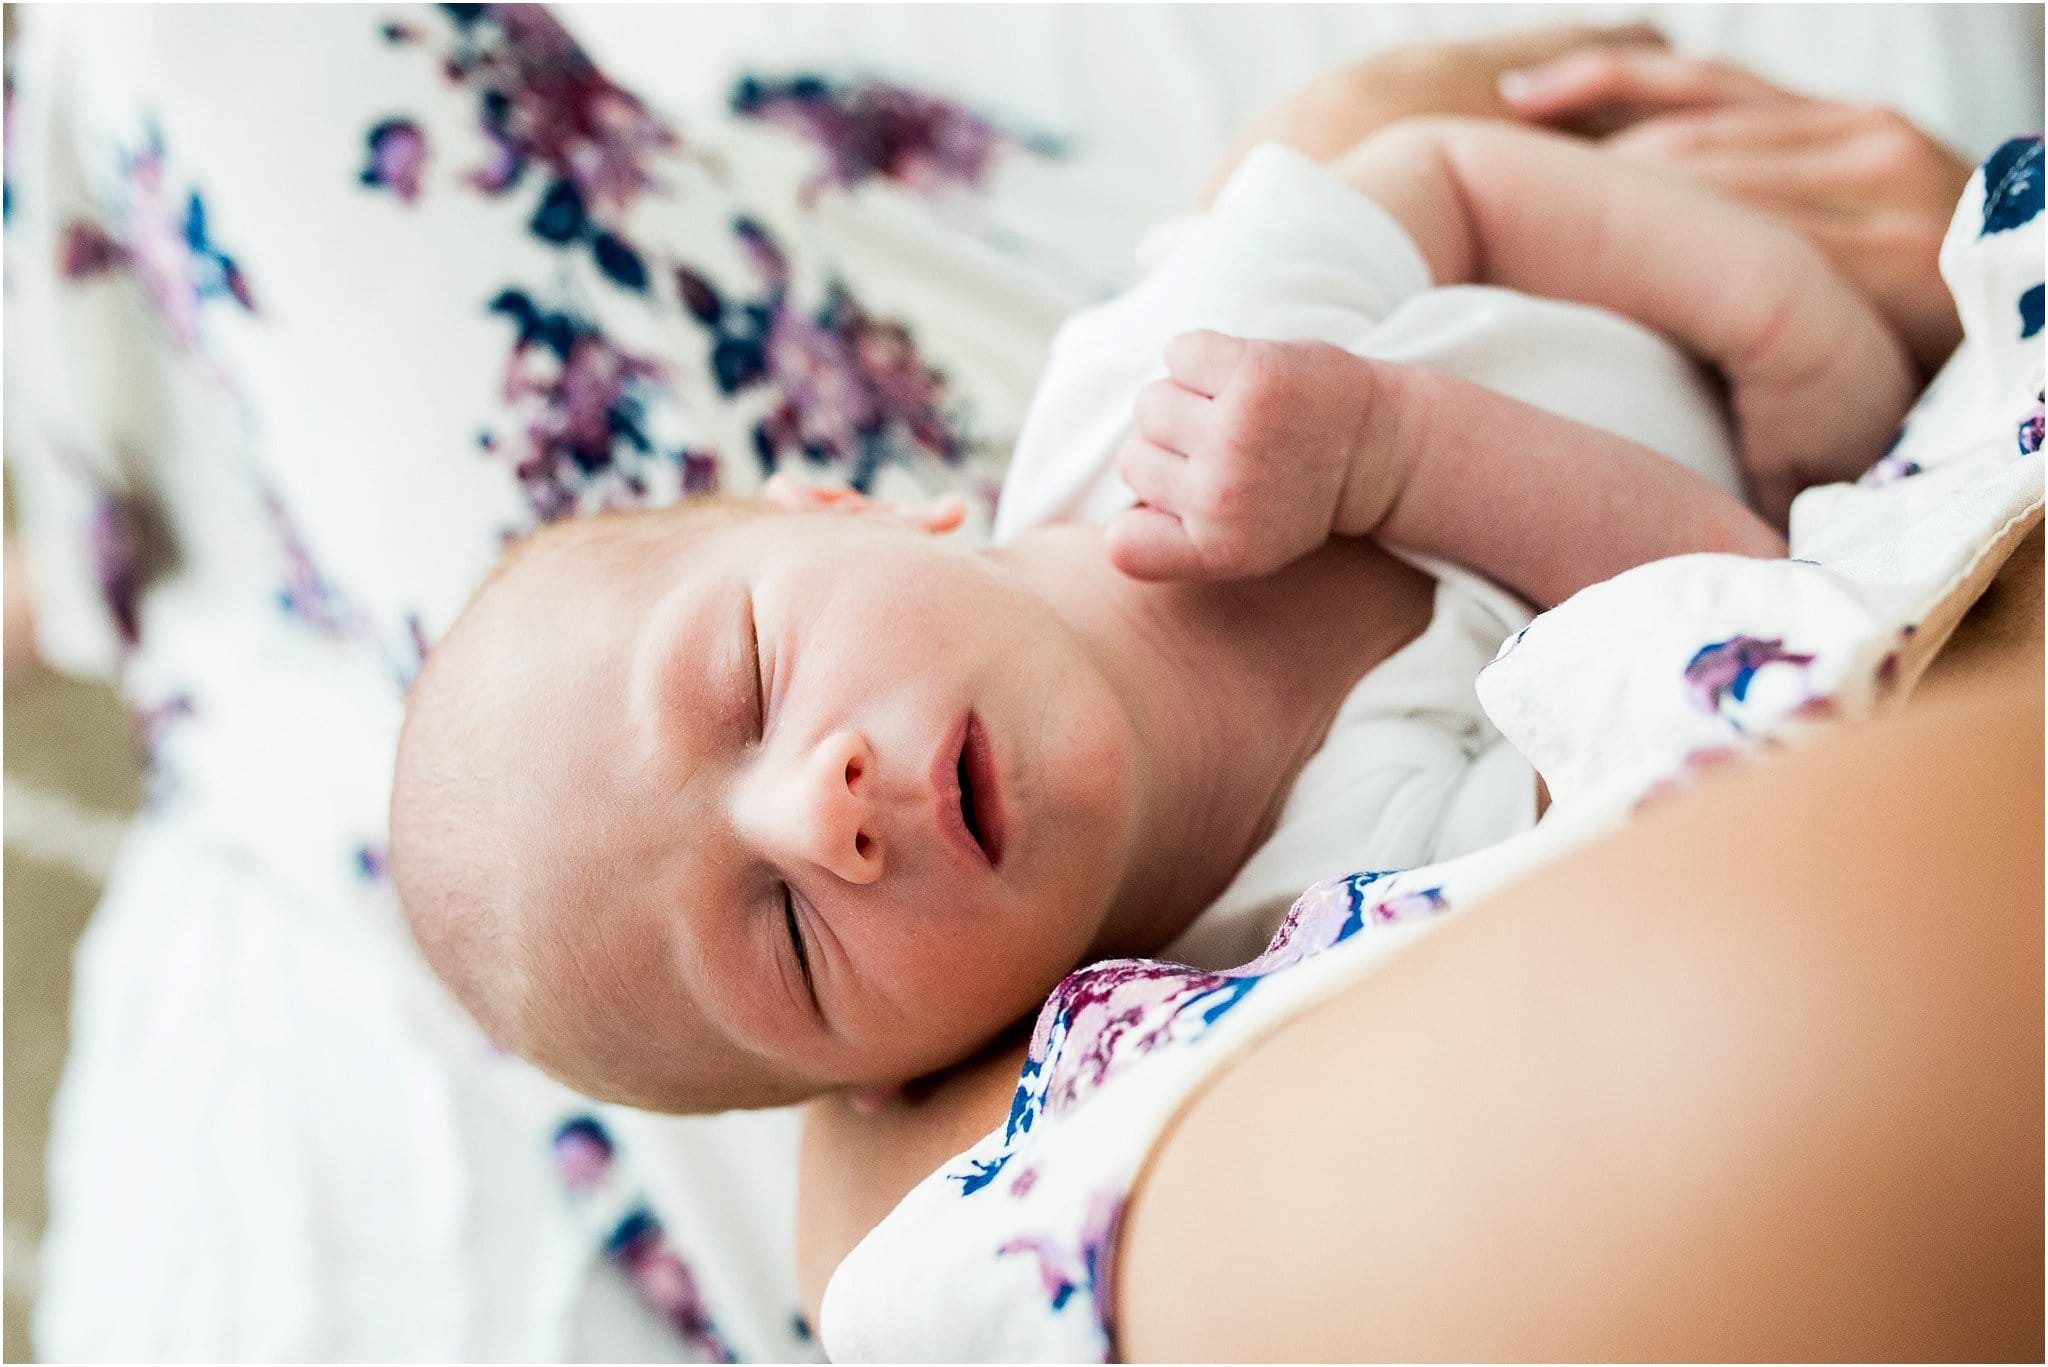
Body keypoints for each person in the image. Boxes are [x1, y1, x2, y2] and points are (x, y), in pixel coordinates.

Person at [389, 112, 1908, 1116]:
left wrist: (1770, 313)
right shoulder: (1325, 918)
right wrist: (1396, 455)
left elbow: (1453, 182)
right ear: (905, 1082)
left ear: (847, 507)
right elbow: (1735, 643)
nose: (817, 818)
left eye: (751, 677)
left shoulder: (1153, 376)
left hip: (1770, 291)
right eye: (786, 938)